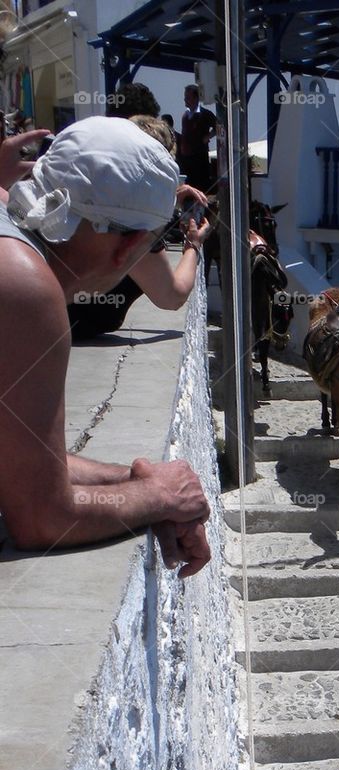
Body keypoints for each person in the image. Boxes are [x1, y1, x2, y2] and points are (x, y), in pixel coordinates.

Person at [0, 116, 210, 576]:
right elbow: (41, 515)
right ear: (129, 245)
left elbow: (23, 461)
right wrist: (161, 496)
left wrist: (136, 481)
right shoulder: (25, 289)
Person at [65, 114, 213, 339]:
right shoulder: (132, 223)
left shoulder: (85, 187)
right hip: (73, 326)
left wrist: (169, 200)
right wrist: (193, 244)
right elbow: (172, 297)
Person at [180, 84, 217, 191]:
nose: (185, 100)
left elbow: (219, 127)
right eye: (185, 97)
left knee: (200, 185)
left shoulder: (205, 114)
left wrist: (208, 136)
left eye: (188, 97)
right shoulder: (185, 115)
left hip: (199, 156)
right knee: (188, 186)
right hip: (186, 158)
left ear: (196, 98)